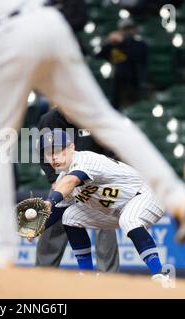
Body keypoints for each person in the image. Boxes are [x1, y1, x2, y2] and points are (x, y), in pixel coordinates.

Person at [0, 0, 185, 268]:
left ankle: (2, 255)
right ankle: (179, 199)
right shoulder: (51, 121)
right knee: (106, 120)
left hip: (6, 37)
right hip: (50, 23)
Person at [36, 129, 167, 283]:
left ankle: (160, 275)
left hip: (146, 195)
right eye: (48, 153)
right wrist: (37, 227)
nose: (54, 157)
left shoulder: (86, 160)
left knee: (129, 220)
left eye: (58, 150)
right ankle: (87, 276)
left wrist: (50, 201)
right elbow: (57, 211)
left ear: (72, 148)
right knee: (69, 216)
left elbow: (71, 182)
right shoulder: (63, 178)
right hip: (116, 209)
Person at [36, 108, 119, 272]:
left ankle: (108, 277)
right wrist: (53, 179)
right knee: (52, 221)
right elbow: (42, 153)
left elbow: (113, 151)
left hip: (97, 179)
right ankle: (43, 274)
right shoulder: (49, 120)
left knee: (105, 226)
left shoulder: (96, 117)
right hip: (63, 178)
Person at [96, 18, 148, 109]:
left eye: (130, 29)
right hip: (115, 82)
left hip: (133, 81)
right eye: (125, 29)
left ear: (134, 30)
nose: (128, 32)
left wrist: (122, 43)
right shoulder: (113, 44)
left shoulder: (139, 44)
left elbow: (136, 56)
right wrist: (108, 42)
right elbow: (99, 56)